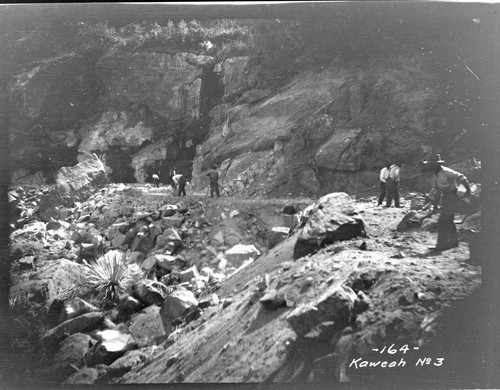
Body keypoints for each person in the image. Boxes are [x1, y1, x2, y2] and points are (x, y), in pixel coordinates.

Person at [423, 154, 471, 251]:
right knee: (448, 221)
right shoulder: (436, 174)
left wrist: (468, 192)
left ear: (437, 164)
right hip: (445, 197)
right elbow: (437, 191)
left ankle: (441, 245)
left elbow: (462, 177)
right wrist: (435, 206)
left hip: (452, 197)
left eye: (431, 164)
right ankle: (453, 243)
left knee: (442, 221)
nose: (429, 166)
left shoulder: (446, 171)